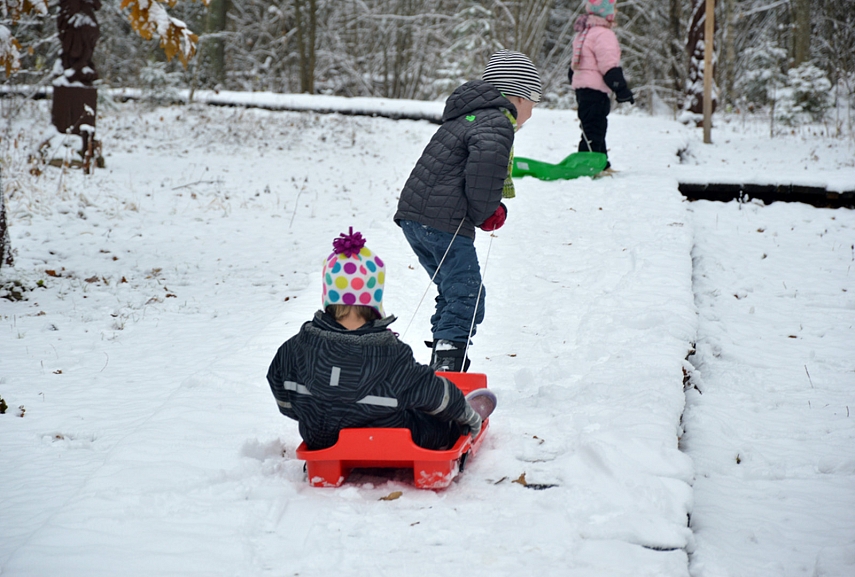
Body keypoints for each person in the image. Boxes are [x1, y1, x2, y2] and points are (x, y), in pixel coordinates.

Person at [266, 228, 496, 451]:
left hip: (321, 437)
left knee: (395, 398)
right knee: (426, 416)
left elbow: (278, 381)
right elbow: (431, 389)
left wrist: (308, 410)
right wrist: (463, 413)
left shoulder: (294, 348)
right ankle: (461, 416)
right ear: (374, 299)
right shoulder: (389, 353)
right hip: (386, 438)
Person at [394, 49, 542, 372]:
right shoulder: (498, 123)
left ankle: (440, 360)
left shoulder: (469, 115)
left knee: (455, 289)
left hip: (416, 217)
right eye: (534, 102)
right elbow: (484, 172)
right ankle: (447, 368)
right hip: (442, 220)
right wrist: (486, 211)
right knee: (469, 295)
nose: (532, 112)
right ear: (518, 97)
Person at [568, 0, 634, 172]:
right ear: (607, 13)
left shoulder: (584, 32)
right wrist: (621, 88)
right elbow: (608, 65)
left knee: (592, 124)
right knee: (594, 127)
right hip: (595, 89)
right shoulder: (603, 34)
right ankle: (588, 163)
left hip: (582, 87)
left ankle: (602, 163)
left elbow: (575, 63)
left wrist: (575, 78)